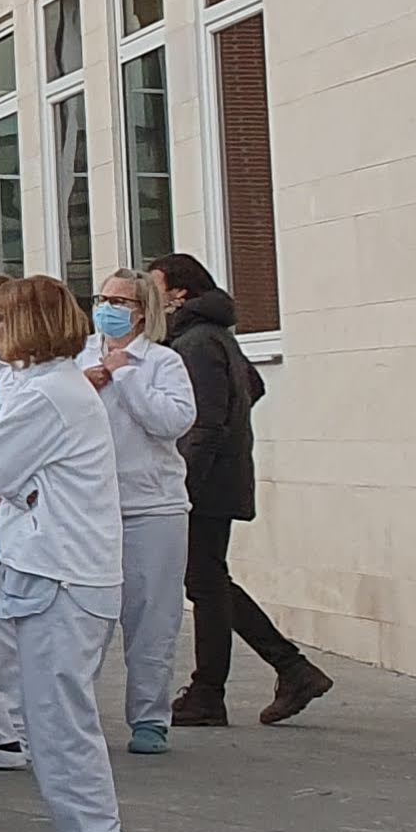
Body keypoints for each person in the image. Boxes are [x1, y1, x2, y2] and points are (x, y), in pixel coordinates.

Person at [0, 276, 141, 832]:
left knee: (59, 721)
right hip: (68, 567)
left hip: (59, 572)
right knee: (58, 718)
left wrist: (9, 484)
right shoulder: (61, 388)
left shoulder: (45, 395)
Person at [156, 253, 327, 727]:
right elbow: (250, 385)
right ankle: (285, 670)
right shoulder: (214, 336)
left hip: (204, 484)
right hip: (219, 478)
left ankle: (217, 690)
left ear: (178, 292)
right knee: (209, 581)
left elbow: (205, 420)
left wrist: (187, 482)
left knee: (206, 583)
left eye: (156, 287)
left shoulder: (195, 342)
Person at [84, 266, 199, 753]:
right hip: (90, 507)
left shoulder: (162, 362)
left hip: (154, 506)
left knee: (153, 615)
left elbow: (171, 421)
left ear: (142, 311)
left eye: (121, 302)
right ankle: (76, 717)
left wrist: (124, 373)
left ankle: (150, 717)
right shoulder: (77, 359)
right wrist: (86, 384)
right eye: (103, 299)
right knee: (86, 617)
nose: (109, 309)